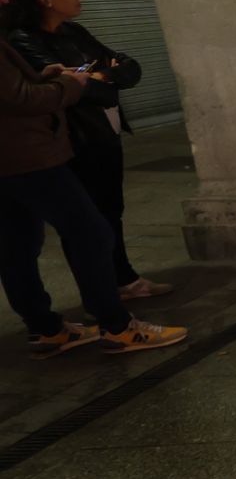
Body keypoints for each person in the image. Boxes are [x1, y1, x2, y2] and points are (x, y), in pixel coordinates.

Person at [1, 37, 187, 356]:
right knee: (91, 233)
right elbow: (20, 100)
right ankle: (116, 327)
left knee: (16, 243)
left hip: (11, 160)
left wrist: (42, 76)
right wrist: (70, 83)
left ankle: (45, 329)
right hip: (26, 156)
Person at [5, 0, 171, 299]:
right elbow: (65, 93)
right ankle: (106, 305)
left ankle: (121, 283)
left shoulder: (73, 32)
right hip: (72, 143)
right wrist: (93, 80)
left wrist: (100, 76)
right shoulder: (22, 42)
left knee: (109, 212)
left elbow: (128, 68)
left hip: (102, 134)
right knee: (83, 227)